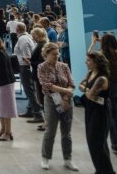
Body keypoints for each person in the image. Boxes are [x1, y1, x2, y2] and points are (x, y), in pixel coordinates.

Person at [38, 42, 79, 172]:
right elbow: (47, 85)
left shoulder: (64, 66)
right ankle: (45, 158)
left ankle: (68, 159)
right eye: (53, 54)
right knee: (50, 131)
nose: (57, 56)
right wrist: (66, 91)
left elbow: (72, 83)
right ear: (46, 54)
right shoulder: (41, 67)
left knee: (66, 132)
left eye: (58, 54)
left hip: (67, 101)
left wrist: (66, 98)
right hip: (51, 101)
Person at [90, 32, 117, 157]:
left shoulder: (101, 55)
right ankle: (115, 144)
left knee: (114, 118)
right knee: (113, 115)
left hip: (109, 89)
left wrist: (92, 43)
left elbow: (90, 57)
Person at [79, 52, 115, 174]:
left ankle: (106, 171)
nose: (86, 63)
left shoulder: (102, 78)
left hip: (100, 112)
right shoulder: (90, 73)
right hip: (91, 109)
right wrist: (87, 90)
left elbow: (89, 94)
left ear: (96, 63)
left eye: (88, 61)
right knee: (92, 141)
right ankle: (100, 170)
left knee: (98, 142)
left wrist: (86, 90)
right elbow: (81, 85)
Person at [15, 23, 43, 122]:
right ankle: (30, 110)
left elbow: (26, 55)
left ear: (17, 29)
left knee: (29, 91)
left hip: (24, 66)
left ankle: (37, 113)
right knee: (31, 90)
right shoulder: (27, 37)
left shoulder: (22, 39)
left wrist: (26, 63)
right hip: (26, 66)